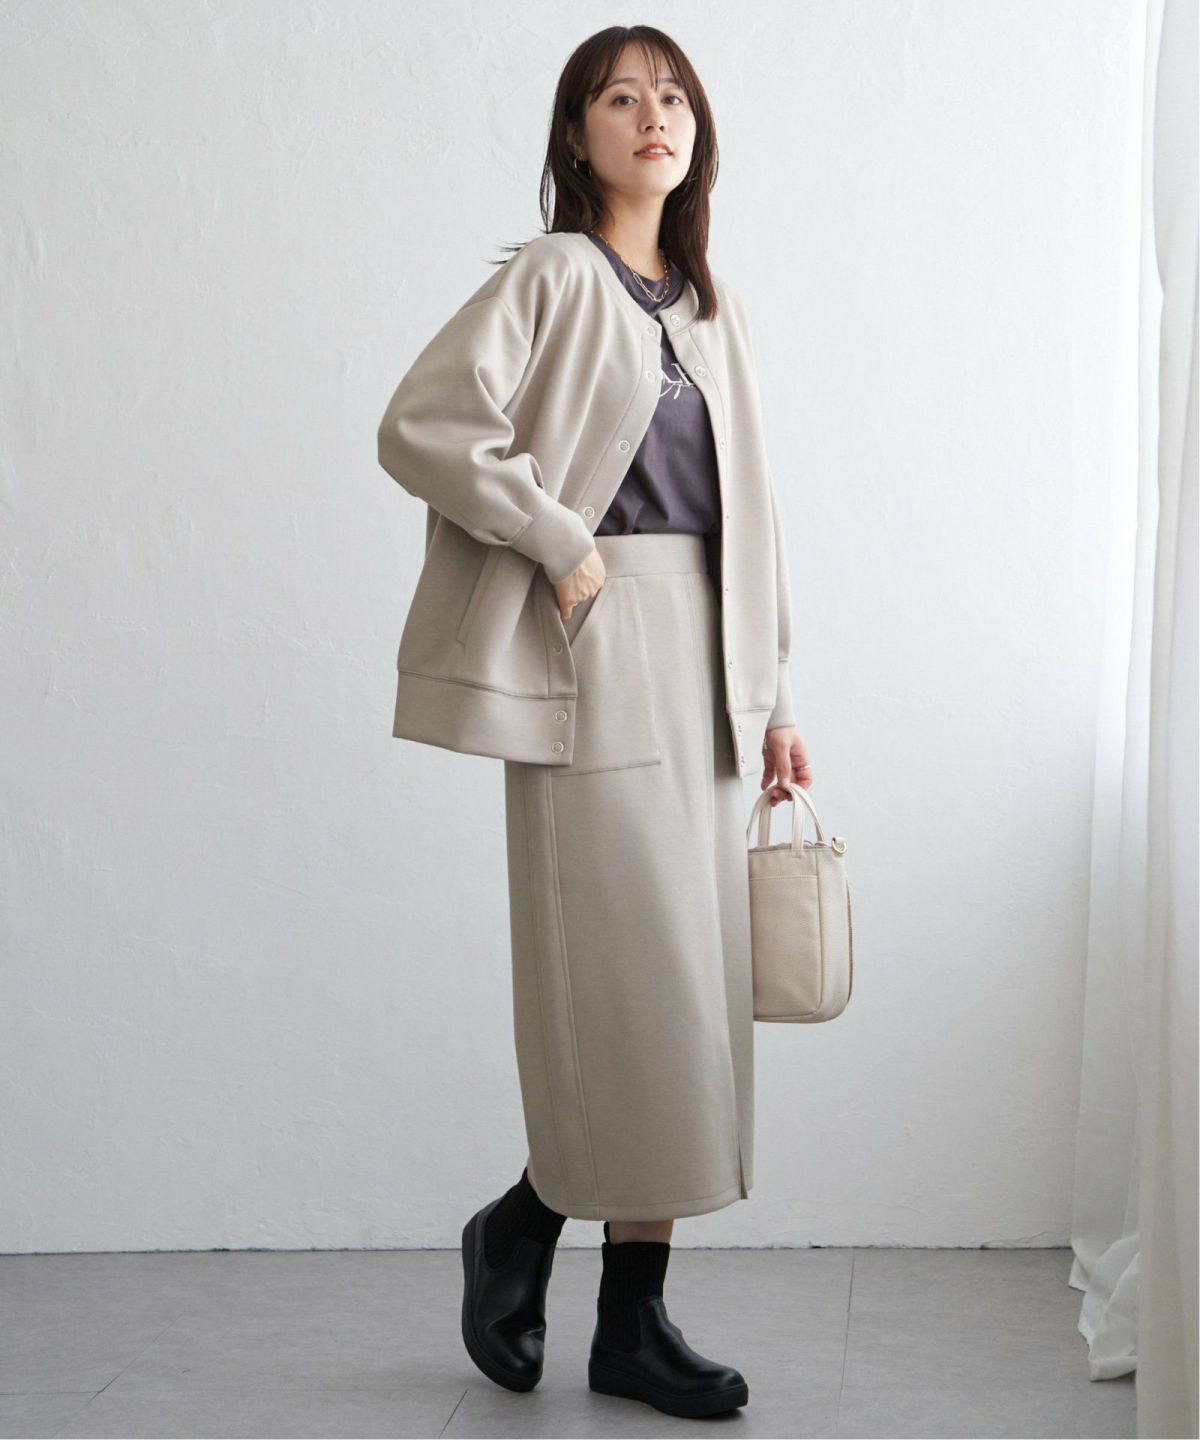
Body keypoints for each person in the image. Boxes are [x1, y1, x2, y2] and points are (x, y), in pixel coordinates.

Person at [376, 24, 814, 1421]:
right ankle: (534, 1233)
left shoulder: (712, 308)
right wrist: (558, 540)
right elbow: (423, 425)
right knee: (624, 993)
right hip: (596, 653)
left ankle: (618, 1311)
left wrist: (777, 694)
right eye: (621, 98)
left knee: (688, 1005)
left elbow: (753, 518)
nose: (652, 117)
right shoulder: (559, 276)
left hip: (707, 666)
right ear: (578, 135)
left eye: (672, 96)